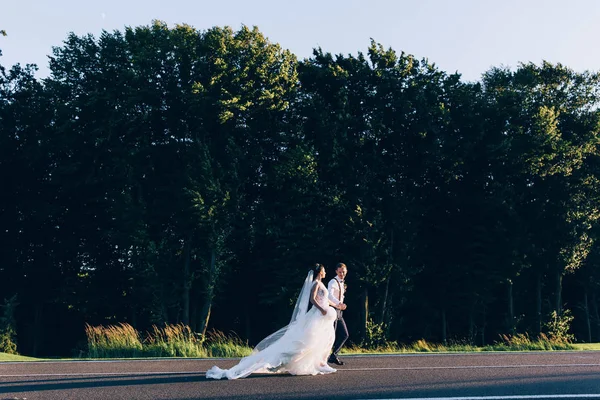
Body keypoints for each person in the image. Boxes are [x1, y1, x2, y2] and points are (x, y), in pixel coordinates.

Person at [205, 264, 343, 379]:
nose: (325, 272)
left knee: (323, 340)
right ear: (320, 271)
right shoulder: (316, 284)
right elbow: (312, 300)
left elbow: (326, 300)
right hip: (317, 316)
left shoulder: (321, 284)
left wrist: (336, 305)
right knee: (307, 342)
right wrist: (322, 309)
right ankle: (286, 360)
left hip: (322, 317)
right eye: (324, 270)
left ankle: (320, 362)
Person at [327, 262, 348, 366]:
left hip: (339, 312)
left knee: (345, 334)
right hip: (333, 310)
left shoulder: (342, 282)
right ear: (336, 271)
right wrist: (339, 303)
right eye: (340, 272)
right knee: (331, 335)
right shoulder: (333, 282)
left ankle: (333, 355)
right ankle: (325, 357)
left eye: (343, 272)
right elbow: (329, 295)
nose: (342, 274)